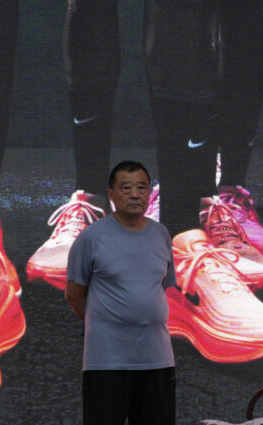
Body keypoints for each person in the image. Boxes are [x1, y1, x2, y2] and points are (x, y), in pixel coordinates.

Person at [65, 161, 177, 425]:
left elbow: (161, 288)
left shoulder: (161, 234)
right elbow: (74, 295)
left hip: (157, 360)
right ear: (111, 195)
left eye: (142, 188)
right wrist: (106, 323)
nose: (135, 194)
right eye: (126, 188)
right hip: (106, 362)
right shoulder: (90, 238)